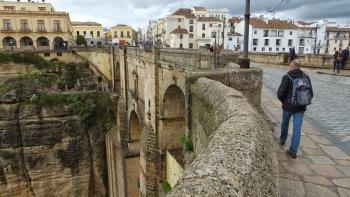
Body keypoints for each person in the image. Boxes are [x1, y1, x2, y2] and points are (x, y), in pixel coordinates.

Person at [277, 60, 313, 158]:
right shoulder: (306, 77)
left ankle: (283, 139)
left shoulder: (287, 77)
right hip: (301, 107)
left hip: (288, 106)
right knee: (297, 129)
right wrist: (303, 102)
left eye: (289, 66)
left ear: (292, 66)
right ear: (299, 67)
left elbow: (280, 93)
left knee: (285, 122)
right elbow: (311, 93)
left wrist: (284, 102)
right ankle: (293, 151)